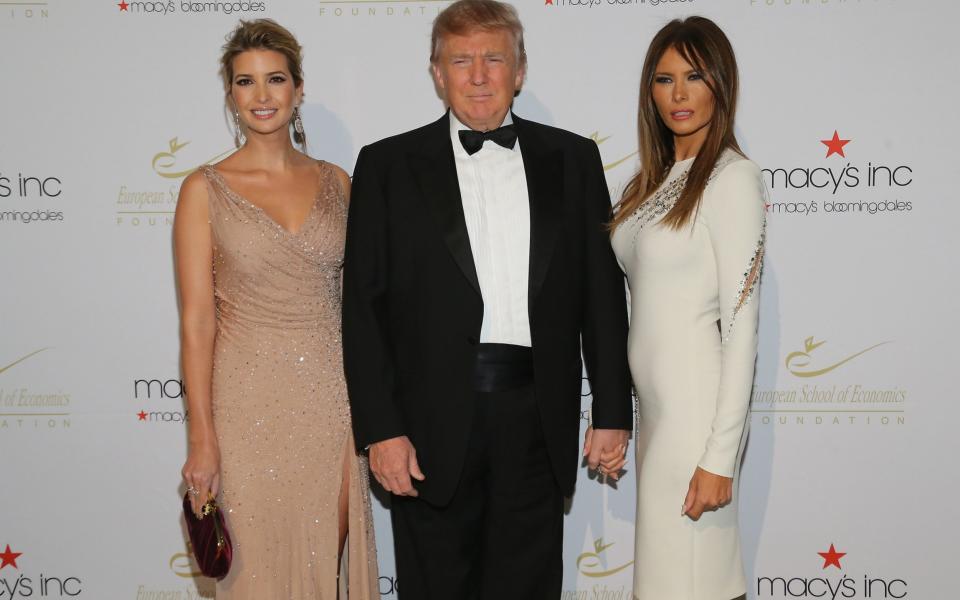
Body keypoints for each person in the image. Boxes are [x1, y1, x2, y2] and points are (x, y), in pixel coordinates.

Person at [342, 0, 633, 597]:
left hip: (537, 419)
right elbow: (362, 310)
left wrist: (610, 411)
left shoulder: (573, 160)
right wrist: (381, 430)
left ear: (519, 70)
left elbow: (602, 297)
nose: (479, 75)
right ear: (437, 72)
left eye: (494, 58)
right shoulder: (387, 166)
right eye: (461, 60)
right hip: (426, 429)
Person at [174, 19, 377, 599]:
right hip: (244, 407)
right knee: (256, 578)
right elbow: (196, 323)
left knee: (324, 566)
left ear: (298, 88)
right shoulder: (203, 189)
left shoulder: (339, 182)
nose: (261, 96)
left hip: (332, 403)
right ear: (231, 95)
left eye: (275, 79)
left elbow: (364, 304)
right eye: (245, 82)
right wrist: (202, 439)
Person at [610, 16, 766, 600]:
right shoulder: (651, 184)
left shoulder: (732, 179)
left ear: (720, 84)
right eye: (663, 78)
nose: (677, 94)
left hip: (698, 423)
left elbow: (743, 324)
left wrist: (721, 456)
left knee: (695, 584)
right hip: (658, 419)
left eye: (694, 77)